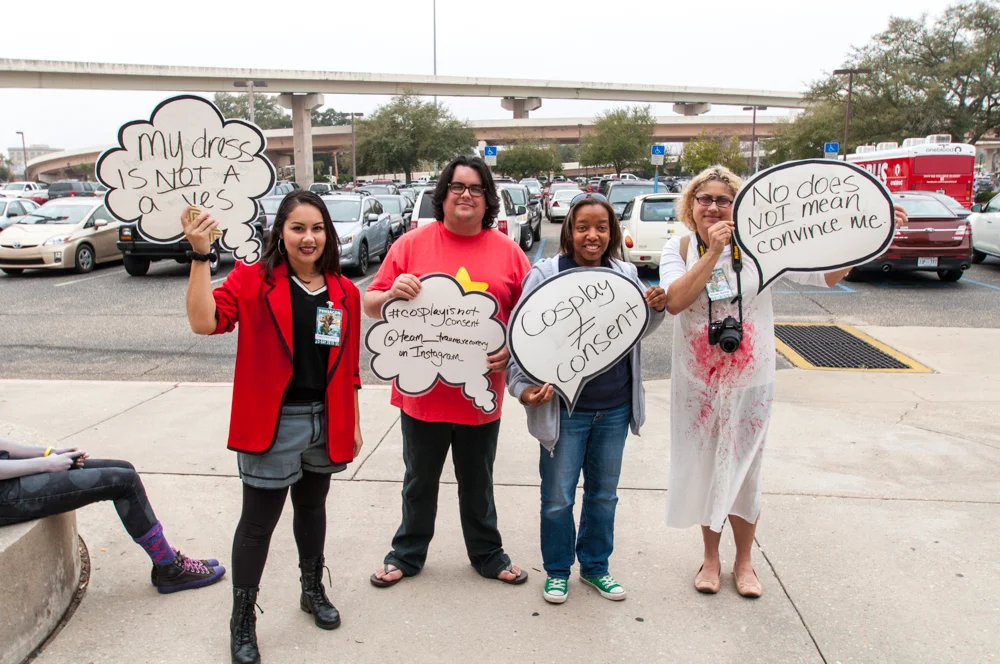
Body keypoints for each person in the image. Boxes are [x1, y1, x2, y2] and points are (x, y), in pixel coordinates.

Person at [658, 165, 907, 598]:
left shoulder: (763, 248)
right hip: (698, 382)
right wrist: (712, 253)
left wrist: (871, 235)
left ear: (739, 206)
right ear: (690, 205)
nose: (713, 207)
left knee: (746, 471)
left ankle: (745, 561)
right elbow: (676, 301)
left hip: (750, 380)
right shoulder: (678, 247)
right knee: (704, 467)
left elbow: (825, 276)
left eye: (723, 200)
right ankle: (711, 559)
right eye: (704, 199)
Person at [181, 190, 363, 664]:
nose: (309, 238)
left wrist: (353, 421)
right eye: (298, 228)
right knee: (258, 523)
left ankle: (311, 589)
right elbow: (204, 322)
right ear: (280, 233)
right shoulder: (251, 280)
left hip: (326, 420)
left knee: (313, 508)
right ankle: (242, 619)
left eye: (317, 228)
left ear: (328, 234)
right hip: (274, 424)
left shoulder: (343, 291)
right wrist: (200, 255)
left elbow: (347, 366)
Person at [365, 155, 531, 588]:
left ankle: (488, 555)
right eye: (457, 187)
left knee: (478, 482)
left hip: (480, 394)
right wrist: (390, 294)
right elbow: (369, 303)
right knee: (418, 481)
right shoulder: (410, 245)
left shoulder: (509, 253)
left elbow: (532, 320)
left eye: (476, 188)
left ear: (487, 199)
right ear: (442, 195)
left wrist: (513, 350)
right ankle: (406, 554)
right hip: (422, 396)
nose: (466, 195)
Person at [506, 193, 667, 604]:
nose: (592, 235)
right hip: (564, 411)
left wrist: (655, 308)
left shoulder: (625, 273)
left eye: (601, 227)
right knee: (558, 497)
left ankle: (596, 567)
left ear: (612, 232)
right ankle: (558, 570)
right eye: (582, 227)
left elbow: (637, 330)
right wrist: (522, 389)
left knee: (603, 495)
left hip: (614, 408)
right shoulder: (546, 274)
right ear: (569, 231)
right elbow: (520, 340)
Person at [0, 436, 225, 593]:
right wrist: (45, 464)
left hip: (10, 474)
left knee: (124, 468)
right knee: (124, 483)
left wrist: (49, 453)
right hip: (6, 496)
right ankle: (169, 568)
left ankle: (166, 560)